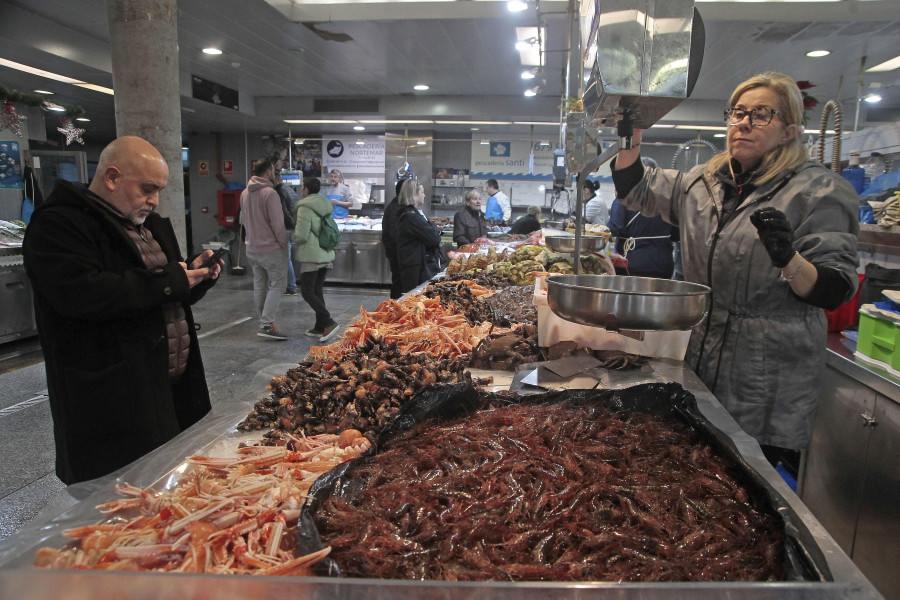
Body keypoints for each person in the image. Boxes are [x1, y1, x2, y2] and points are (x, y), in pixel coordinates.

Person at [611, 72, 859, 470]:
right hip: (699, 357)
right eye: (737, 113)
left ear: (790, 130)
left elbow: (835, 287)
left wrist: (788, 259)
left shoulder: (820, 191)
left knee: (747, 483)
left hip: (765, 377)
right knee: (689, 470)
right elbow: (635, 188)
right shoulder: (701, 182)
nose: (743, 123)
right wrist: (631, 134)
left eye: (761, 115)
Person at [22, 135, 222, 484]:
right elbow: (83, 296)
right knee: (119, 500)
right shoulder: (59, 225)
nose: (154, 200)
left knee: (173, 484)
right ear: (112, 177)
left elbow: (163, 296)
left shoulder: (150, 226)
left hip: (168, 387)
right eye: (147, 188)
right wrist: (169, 280)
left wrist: (195, 277)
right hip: (111, 399)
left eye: (159, 189)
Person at [241, 159, 288, 340]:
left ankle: (263, 322)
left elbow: (244, 220)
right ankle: (266, 324)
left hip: (251, 248)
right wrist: (283, 243)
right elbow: (277, 223)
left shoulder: (245, 193)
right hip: (270, 248)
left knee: (260, 285)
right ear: (269, 171)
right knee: (277, 285)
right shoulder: (270, 193)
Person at [607, 157, 676, 279]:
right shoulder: (667, 201)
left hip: (632, 265)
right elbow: (676, 235)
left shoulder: (624, 199)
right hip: (663, 265)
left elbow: (613, 229)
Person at [292, 177, 340, 341]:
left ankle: (328, 321)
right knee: (317, 290)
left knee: (306, 291)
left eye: (302, 187)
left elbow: (301, 235)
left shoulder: (304, 207)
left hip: (311, 255)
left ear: (305, 189)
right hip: (325, 252)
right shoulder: (324, 204)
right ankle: (320, 326)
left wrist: (291, 237)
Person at [396, 179, 442, 293]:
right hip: (415, 271)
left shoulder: (413, 214)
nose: (424, 195)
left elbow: (431, 230)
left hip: (416, 267)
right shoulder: (410, 217)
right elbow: (434, 238)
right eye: (422, 192)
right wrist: (435, 229)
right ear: (414, 194)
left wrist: (433, 228)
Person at [381, 178, 408, 299]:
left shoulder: (401, 207)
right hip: (397, 254)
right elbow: (394, 235)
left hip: (399, 253)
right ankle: (394, 309)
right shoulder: (395, 209)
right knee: (398, 283)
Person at [273, 171, 299, 295]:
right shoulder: (290, 190)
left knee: (284, 258)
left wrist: (289, 224)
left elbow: (283, 212)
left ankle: (290, 286)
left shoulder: (279, 191)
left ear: (276, 179)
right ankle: (290, 284)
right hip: (291, 227)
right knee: (287, 257)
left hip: (285, 228)